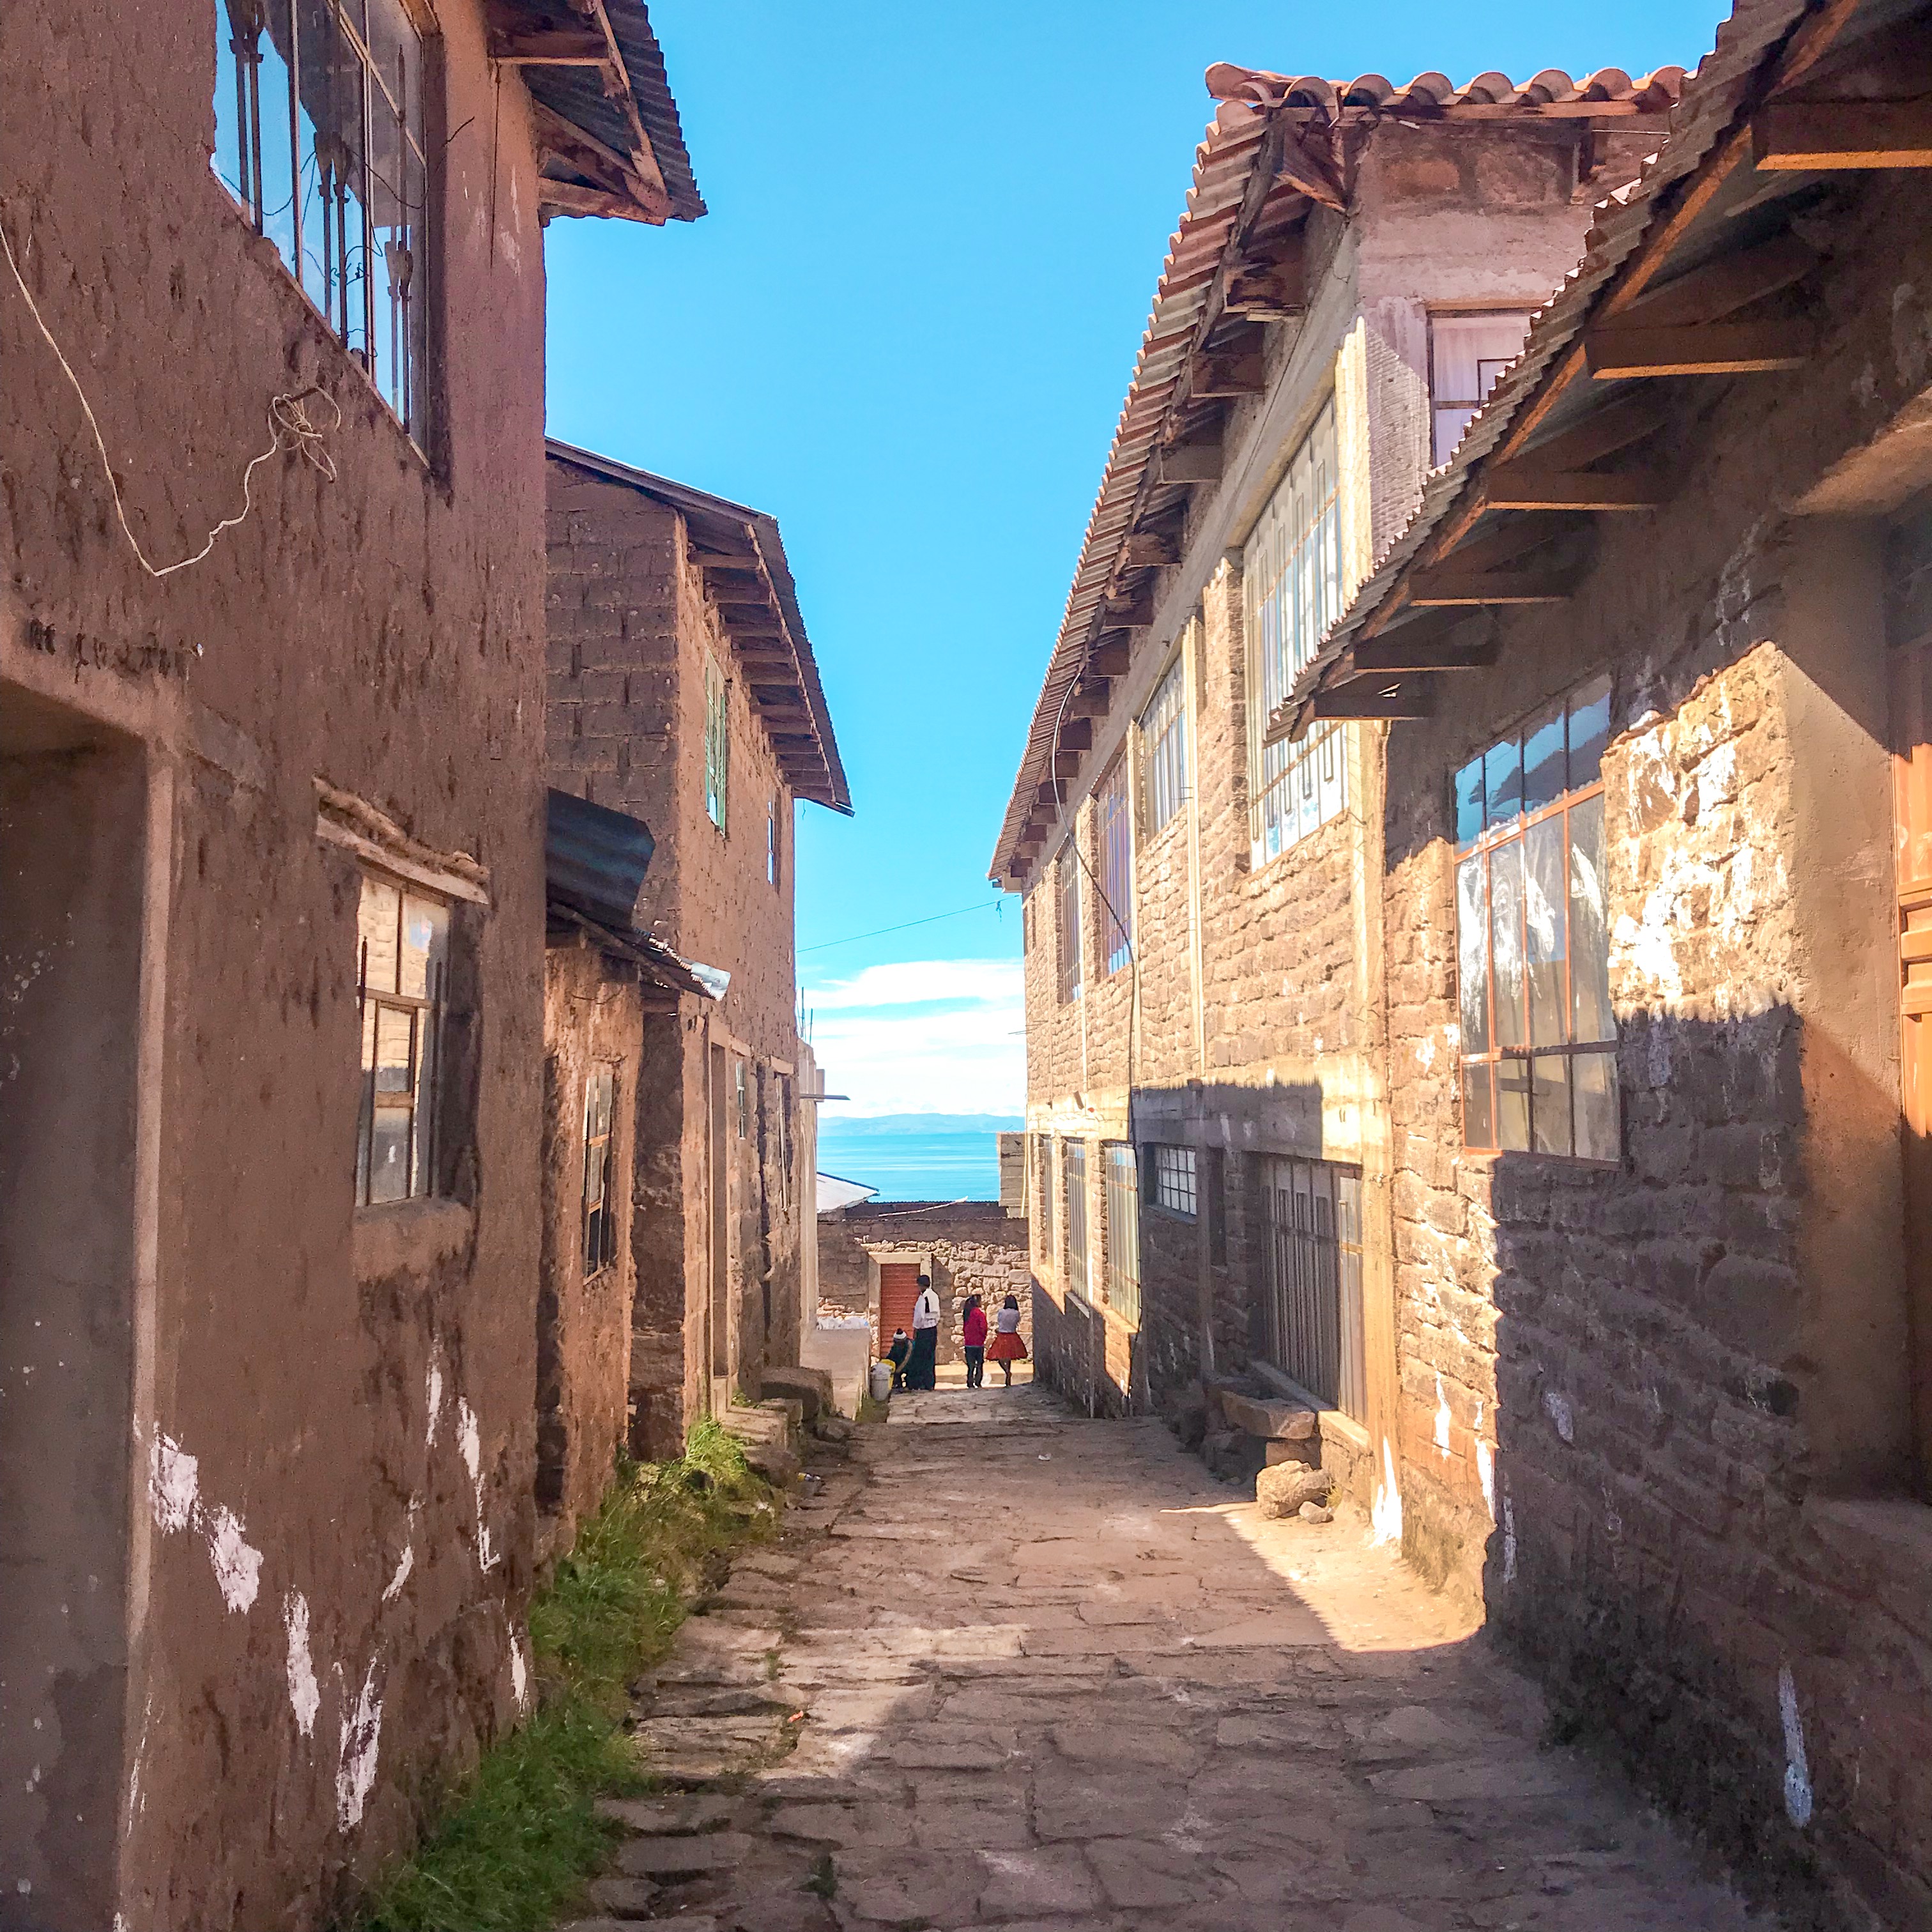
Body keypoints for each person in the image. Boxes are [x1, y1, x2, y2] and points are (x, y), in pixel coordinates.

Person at [906, 1274, 941, 1390]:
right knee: (930, 1357)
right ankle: (930, 1383)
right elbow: (937, 1315)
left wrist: (916, 1328)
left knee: (920, 1357)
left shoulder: (923, 1298)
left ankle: (918, 1383)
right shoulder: (935, 1296)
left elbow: (920, 1317)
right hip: (933, 1330)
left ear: (920, 1285)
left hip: (924, 1330)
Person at [987, 1292, 1028, 1386]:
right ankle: (1008, 1373)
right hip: (1013, 1335)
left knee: (999, 1356)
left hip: (1002, 1335)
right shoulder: (1017, 1313)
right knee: (1009, 1356)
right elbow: (1016, 1323)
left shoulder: (1001, 1312)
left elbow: (1000, 1322)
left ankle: (1007, 1372)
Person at [962, 1293, 988, 1389]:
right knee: (979, 1364)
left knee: (971, 1365)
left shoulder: (967, 1313)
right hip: (978, 1343)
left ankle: (970, 1381)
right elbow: (983, 1327)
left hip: (969, 1343)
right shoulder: (979, 1313)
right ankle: (978, 1381)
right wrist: (983, 1337)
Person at [885, 1326, 910, 1392]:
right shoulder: (896, 1346)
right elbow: (891, 1356)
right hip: (899, 1363)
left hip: (910, 1364)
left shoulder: (910, 1346)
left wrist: (897, 1370)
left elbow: (906, 1360)